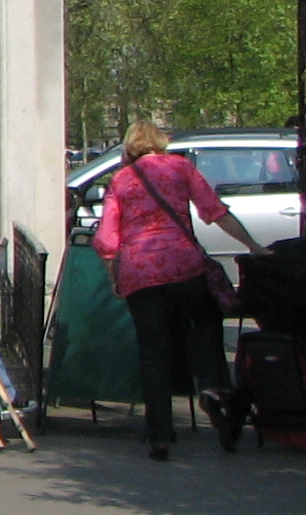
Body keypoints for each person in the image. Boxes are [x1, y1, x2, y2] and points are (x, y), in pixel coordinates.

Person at [91, 121, 261, 460]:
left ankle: (159, 436)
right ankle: (213, 385)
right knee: (207, 320)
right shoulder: (180, 168)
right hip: (184, 267)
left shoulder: (121, 180)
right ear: (160, 141)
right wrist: (253, 245)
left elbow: (107, 240)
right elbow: (215, 211)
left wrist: (115, 276)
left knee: (153, 352)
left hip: (141, 274)